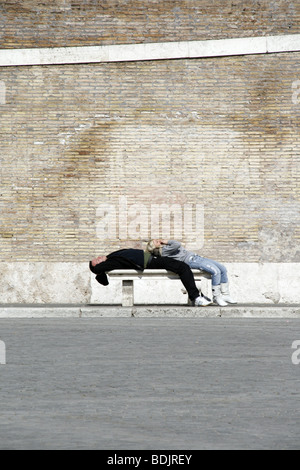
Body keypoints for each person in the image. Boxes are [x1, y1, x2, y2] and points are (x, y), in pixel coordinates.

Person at [89, 248, 212, 306]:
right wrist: (97, 271)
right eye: (98, 261)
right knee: (183, 267)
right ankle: (196, 297)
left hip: (153, 258)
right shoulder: (111, 262)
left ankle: (196, 296)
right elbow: (100, 273)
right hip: (151, 262)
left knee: (182, 266)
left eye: (97, 257)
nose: (99, 258)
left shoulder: (111, 257)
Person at [146, 240, 237, 307]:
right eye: (156, 242)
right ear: (155, 247)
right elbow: (177, 244)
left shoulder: (166, 248)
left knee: (223, 269)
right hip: (192, 261)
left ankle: (225, 295)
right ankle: (216, 297)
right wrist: (165, 241)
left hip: (196, 257)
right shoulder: (164, 250)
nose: (158, 240)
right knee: (216, 272)